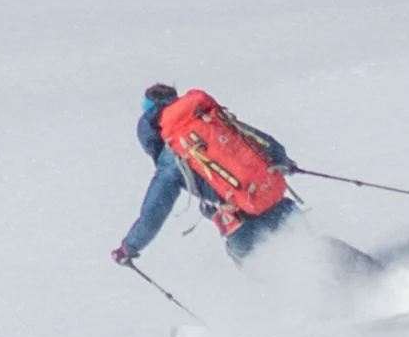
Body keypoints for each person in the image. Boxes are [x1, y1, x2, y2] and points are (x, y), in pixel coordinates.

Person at [114, 81, 300, 266]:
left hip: (242, 227)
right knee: (314, 254)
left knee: (274, 281)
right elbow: (258, 140)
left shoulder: (171, 158)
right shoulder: (212, 119)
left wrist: (128, 248)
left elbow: (153, 213)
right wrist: (286, 162)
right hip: (279, 205)